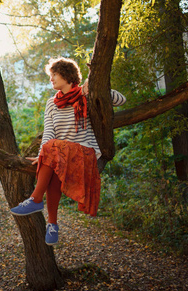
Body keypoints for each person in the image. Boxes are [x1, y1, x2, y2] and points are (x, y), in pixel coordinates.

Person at [10, 57, 126, 246]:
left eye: (54, 74)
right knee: (52, 168)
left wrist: (94, 87)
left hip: (85, 154)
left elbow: (121, 100)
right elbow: (48, 133)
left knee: (53, 149)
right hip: (59, 154)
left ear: (66, 74)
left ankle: (36, 199)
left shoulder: (85, 95)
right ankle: (53, 225)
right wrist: (42, 156)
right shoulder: (51, 103)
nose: (51, 79)